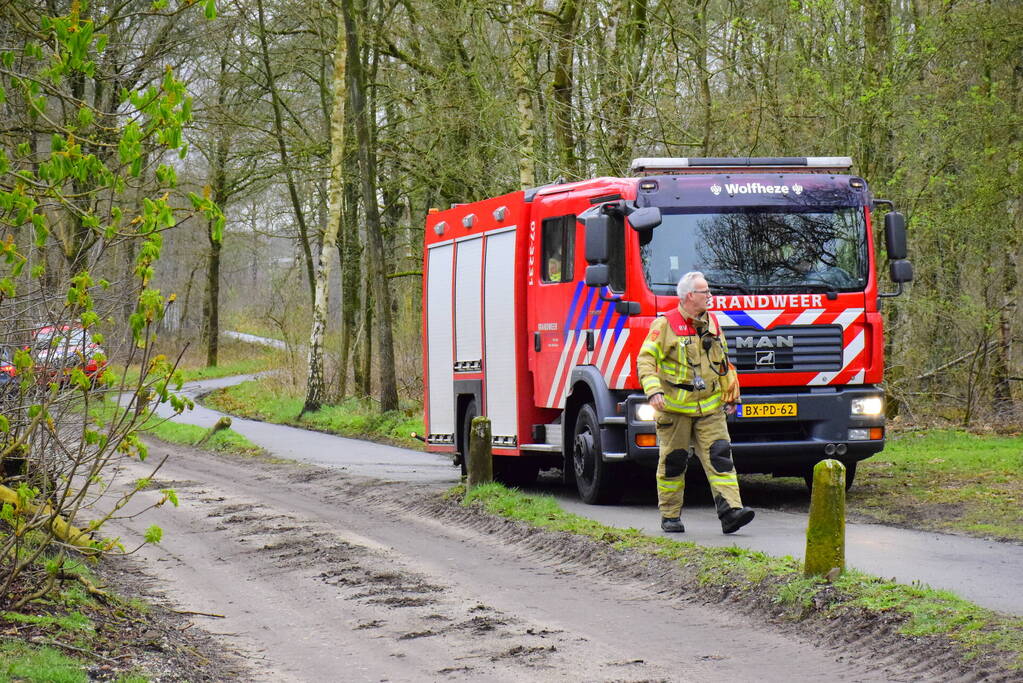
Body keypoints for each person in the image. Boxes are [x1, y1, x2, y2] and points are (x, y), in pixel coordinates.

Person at [636, 271, 755, 534]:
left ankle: (731, 512)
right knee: (674, 462)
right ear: (691, 296)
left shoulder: (712, 322)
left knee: (720, 457)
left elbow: (722, 361)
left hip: (710, 408)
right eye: (706, 292)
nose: (711, 296)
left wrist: (730, 393)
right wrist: (653, 391)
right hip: (674, 410)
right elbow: (645, 360)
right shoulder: (665, 324)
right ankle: (670, 516)